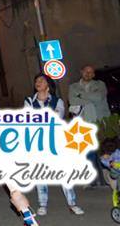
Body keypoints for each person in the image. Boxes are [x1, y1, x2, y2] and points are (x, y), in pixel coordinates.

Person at [25, 73, 84, 216]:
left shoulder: (58, 101)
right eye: (36, 81)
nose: (38, 83)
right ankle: (42, 204)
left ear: (48, 85)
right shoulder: (28, 101)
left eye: (41, 81)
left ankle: (72, 203)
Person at [69, 64, 110, 187]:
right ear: (81, 72)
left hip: (101, 122)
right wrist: (89, 98)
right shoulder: (73, 87)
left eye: (91, 72)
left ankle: (107, 178)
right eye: (86, 71)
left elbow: (98, 97)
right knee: (88, 152)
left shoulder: (100, 85)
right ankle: (91, 180)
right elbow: (72, 101)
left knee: (104, 151)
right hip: (84, 123)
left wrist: (80, 95)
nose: (88, 74)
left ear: (94, 74)